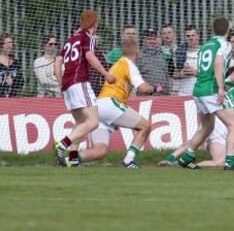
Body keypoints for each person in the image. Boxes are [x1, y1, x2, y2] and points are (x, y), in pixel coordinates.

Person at [159, 55, 234, 167]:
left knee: (219, 161)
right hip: (218, 121)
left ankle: (180, 165)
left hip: (227, 130)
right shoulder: (227, 85)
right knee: (198, 136)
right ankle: (169, 159)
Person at [77, 38, 160, 168]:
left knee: (99, 151)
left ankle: (67, 160)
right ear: (137, 52)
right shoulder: (129, 65)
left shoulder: (118, 63)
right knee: (145, 126)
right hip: (109, 103)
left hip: (99, 107)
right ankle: (128, 160)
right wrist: (156, 88)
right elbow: (143, 88)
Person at [177, 17, 234, 171]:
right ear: (227, 31)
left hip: (198, 89)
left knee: (207, 127)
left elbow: (203, 70)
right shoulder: (224, 44)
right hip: (211, 91)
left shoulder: (204, 46)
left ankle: (187, 158)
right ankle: (230, 162)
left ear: (213, 30)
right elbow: (218, 63)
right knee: (233, 124)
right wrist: (221, 87)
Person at [53, 10, 116, 167]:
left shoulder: (70, 40)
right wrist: (106, 74)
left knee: (80, 123)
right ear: (95, 23)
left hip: (68, 85)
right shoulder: (88, 37)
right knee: (93, 122)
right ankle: (62, 144)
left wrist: (62, 84)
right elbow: (89, 56)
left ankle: (73, 159)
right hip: (80, 82)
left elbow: (58, 62)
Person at [136, 28, 172, 94]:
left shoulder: (161, 55)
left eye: (154, 39)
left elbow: (167, 76)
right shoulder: (138, 57)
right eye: (149, 39)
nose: (152, 41)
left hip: (163, 96)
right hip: (145, 97)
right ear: (144, 40)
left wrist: (167, 92)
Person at [174, 25, 201, 96]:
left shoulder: (204, 52)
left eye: (193, 35)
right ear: (185, 38)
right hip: (183, 93)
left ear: (198, 36)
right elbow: (173, 75)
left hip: (199, 94)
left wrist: (194, 72)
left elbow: (210, 75)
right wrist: (181, 73)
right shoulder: (179, 52)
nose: (191, 38)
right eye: (188, 36)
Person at [0, 33, 25, 97]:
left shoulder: (16, 63)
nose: (9, 45)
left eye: (10, 42)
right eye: (6, 43)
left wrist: (13, 81)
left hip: (13, 99)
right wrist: (4, 81)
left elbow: (22, 81)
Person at [161, 23, 178, 94]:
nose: (166, 35)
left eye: (169, 33)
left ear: (174, 34)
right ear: (161, 36)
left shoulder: (180, 50)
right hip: (162, 88)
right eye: (164, 33)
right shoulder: (158, 51)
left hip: (178, 87)